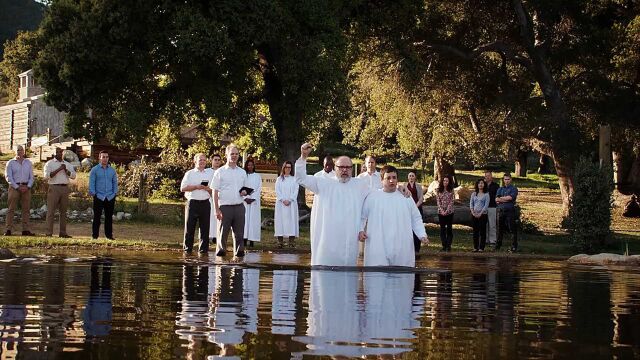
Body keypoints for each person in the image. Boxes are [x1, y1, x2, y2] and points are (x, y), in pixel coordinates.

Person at [295, 143, 371, 266]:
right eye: (341, 167)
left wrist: (400, 188)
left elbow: (377, 195)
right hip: (327, 242)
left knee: (347, 277)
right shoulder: (322, 183)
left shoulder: (360, 185)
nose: (344, 170)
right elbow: (300, 178)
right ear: (335, 168)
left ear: (352, 169)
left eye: (348, 167)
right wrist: (303, 157)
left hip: (348, 242)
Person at [359, 165, 428, 267]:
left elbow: (416, 218)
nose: (391, 181)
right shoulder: (372, 197)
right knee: (376, 278)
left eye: (394, 178)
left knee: (402, 277)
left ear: (397, 180)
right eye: (388, 178)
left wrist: (422, 234)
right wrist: (360, 230)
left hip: (401, 246)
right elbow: (362, 216)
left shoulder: (406, 197)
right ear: (382, 180)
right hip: (378, 247)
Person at [212, 144, 248, 257]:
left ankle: (239, 253)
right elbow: (215, 191)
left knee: (239, 234)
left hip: (239, 206)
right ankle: (221, 254)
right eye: (232, 154)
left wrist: (245, 192)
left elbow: (245, 189)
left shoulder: (242, 172)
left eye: (236, 154)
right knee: (223, 233)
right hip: (225, 207)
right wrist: (216, 209)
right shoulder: (220, 172)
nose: (234, 156)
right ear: (226, 155)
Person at [180, 153, 214, 253]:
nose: (202, 162)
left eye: (204, 160)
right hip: (192, 203)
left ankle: (203, 252)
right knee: (189, 229)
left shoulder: (210, 174)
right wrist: (196, 187)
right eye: (200, 160)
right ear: (195, 161)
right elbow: (182, 188)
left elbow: (214, 190)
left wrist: (207, 189)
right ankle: (187, 251)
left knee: (205, 229)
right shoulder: (189, 173)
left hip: (205, 204)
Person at [44, 147, 77, 238]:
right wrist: (59, 169)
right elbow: (47, 176)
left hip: (64, 188)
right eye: (57, 152)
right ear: (54, 153)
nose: (58, 153)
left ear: (63, 153)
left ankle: (63, 233)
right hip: (54, 187)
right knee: (51, 211)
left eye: (60, 152)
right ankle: (48, 233)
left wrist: (66, 170)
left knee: (63, 212)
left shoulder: (67, 164)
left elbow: (74, 176)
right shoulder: (49, 164)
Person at [4, 145, 34, 236]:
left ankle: (25, 230)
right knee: (11, 209)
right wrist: (17, 187)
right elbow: (8, 177)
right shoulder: (10, 163)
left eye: (21, 150)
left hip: (26, 188)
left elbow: (31, 177)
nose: (19, 151)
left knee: (26, 209)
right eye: (18, 150)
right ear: (15, 151)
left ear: (24, 151)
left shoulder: (28, 162)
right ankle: (8, 229)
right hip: (14, 187)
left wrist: (28, 186)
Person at [89, 151, 118, 240]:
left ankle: (109, 236)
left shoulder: (112, 170)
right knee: (97, 217)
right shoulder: (95, 170)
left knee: (109, 217)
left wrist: (114, 193)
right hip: (99, 196)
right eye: (103, 157)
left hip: (110, 197)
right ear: (99, 158)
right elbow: (92, 182)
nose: (105, 159)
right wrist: (94, 193)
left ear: (108, 158)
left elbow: (115, 182)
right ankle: (95, 236)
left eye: (106, 157)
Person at [275, 161, 299, 248]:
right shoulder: (279, 179)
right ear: (283, 168)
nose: (288, 169)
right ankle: (280, 242)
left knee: (291, 221)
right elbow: (277, 191)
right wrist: (282, 199)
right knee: (280, 222)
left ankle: (291, 242)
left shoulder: (294, 179)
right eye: (286, 167)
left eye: (289, 167)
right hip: (281, 204)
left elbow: (296, 190)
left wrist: (290, 200)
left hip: (291, 204)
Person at [202, 154, 223, 245]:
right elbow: (203, 184)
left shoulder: (223, 171)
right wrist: (210, 191)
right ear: (211, 161)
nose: (217, 161)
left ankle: (217, 236)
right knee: (208, 217)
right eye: (215, 159)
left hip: (220, 198)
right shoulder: (206, 171)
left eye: (219, 160)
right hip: (207, 197)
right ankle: (207, 236)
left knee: (218, 217)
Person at [496, 173, 519, 252]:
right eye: (505, 179)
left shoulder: (514, 189)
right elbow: (496, 199)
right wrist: (505, 199)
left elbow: (511, 198)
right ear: (503, 180)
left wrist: (501, 199)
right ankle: (498, 246)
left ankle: (514, 246)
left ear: (511, 179)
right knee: (500, 229)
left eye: (508, 179)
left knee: (512, 229)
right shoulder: (500, 189)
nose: (506, 181)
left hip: (510, 211)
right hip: (501, 211)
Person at [243, 159, 262, 247]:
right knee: (245, 220)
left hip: (254, 201)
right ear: (246, 166)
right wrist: (245, 198)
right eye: (248, 165)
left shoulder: (257, 176)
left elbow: (258, 188)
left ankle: (252, 240)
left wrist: (253, 198)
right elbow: (241, 187)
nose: (250, 167)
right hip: (245, 201)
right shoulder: (243, 175)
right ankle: (244, 239)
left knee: (253, 220)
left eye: (252, 165)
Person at [469, 179, 490, 252]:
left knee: (482, 232)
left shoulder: (486, 194)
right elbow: (471, 204)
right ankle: (475, 247)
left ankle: (481, 248)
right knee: (475, 232)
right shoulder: (474, 194)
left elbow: (486, 206)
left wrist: (480, 214)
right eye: (479, 183)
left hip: (483, 215)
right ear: (477, 185)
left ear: (484, 185)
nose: (480, 185)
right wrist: (473, 212)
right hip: (474, 215)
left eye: (482, 183)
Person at [407, 170, 425, 253]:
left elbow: (421, 198)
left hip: (417, 209)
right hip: (407, 210)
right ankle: (409, 248)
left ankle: (417, 248)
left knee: (417, 228)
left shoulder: (418, 186)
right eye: (410, 176)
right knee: (409, 229)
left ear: (415, 177)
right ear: (408, 177)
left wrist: (415, 206)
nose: (411, 177)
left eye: (412, 176)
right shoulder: (404, 186)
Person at [436, 175, 455, 252]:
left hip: (449, 212)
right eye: (444, 181)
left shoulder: (451, 190)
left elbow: (452, 201)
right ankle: (444, 246)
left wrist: (446, 211)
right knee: (442, 229)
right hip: (441, 213)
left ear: (449, 182)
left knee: (449, 229)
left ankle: (448, 245)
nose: (445, 182)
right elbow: (438, 201)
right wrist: (441, 210)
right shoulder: (438, 190)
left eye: (447, 181)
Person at [484, 170, 500, 245]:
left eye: (489, 176)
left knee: (492, 224)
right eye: (486, 176)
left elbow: (498, 196)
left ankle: (493, 240)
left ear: (491, 176)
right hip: (483, 207)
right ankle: (485, 240)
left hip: (492, 207)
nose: (487, 177)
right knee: (485, 224)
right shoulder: (482, 185)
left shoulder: (496, 186)